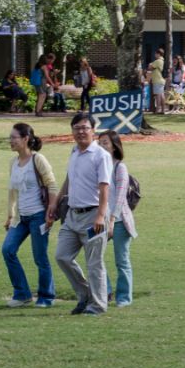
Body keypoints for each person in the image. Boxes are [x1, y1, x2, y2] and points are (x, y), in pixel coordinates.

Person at [52, 111, 113, 315]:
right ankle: (85, 294)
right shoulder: (74, 152)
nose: (81, 132)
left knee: (94, 263)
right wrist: (56, 201)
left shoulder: (101, 156)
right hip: (72, 214)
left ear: (93, 131)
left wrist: (100, 216)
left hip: (93, 215)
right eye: (77, 128)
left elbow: (105, 188)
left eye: (85, 128)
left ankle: (98, 305)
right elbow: (69, 179)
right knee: (62, 256)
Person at [2, 123, 59, 308]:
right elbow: (12, 191)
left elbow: (51, 185)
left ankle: (46, 296)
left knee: (40, 257)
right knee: (8, 250)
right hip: (21, 218)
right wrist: (10, 215)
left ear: (25, 139)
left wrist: (50, 211)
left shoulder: (38, 159)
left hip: (38, 216)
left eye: (14, 137)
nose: (11, 141)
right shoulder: (13, 162)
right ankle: (22, 294)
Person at [98, 130, 137, 307]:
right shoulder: (98, 166)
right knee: (95, 258)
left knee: (121, 260)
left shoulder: (120, 167)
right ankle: (104, 292)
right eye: (99, 143)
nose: (102, 146)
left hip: (119, 221)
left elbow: (121, 196)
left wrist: (112, 219)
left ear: (114, 146)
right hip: (99, 220)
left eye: (105, 143)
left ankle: (124, 298)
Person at [148, 48, 165, 113]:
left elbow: (150, 67)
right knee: (161, 95)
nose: (155, 55)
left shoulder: (158, 61)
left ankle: (158, 109)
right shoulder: (162, 60)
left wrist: (150, 64)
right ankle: (162, 110)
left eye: (155, 53)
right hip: (160, 80)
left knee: (158, 95)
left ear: (158, 54)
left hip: (157, 80)